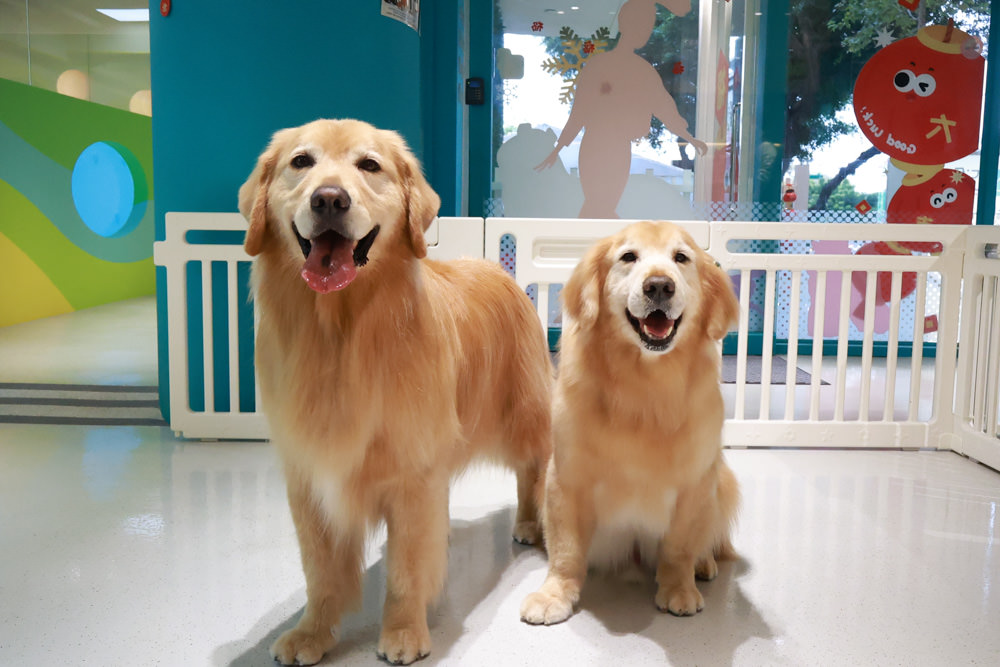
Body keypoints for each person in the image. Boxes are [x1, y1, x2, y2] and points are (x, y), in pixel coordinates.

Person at [536, 0, 707, 218]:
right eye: (642, 23)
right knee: (598, 204)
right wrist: (557, 149)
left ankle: (600, 245)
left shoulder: (642, 71)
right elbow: (579, 111)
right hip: (595, 147)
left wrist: (689, 138)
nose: (646, 31)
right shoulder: (599, 65)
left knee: (605, 206)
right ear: (625, 24)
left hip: (619, 149)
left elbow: (664, 107)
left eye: (649, 24)